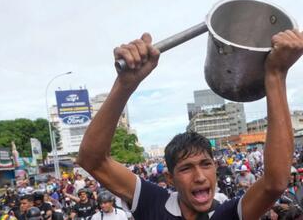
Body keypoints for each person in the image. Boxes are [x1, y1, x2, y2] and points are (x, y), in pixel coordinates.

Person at [77, 30, 303, 220]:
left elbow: (274, 183)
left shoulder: (226, 214)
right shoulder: (153, 203)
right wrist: (125, 84)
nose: (200, 177)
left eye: (206, 164)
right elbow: (92, 160)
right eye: (186, 168)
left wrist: (276, 74)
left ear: (215, 168)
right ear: (170, 178)